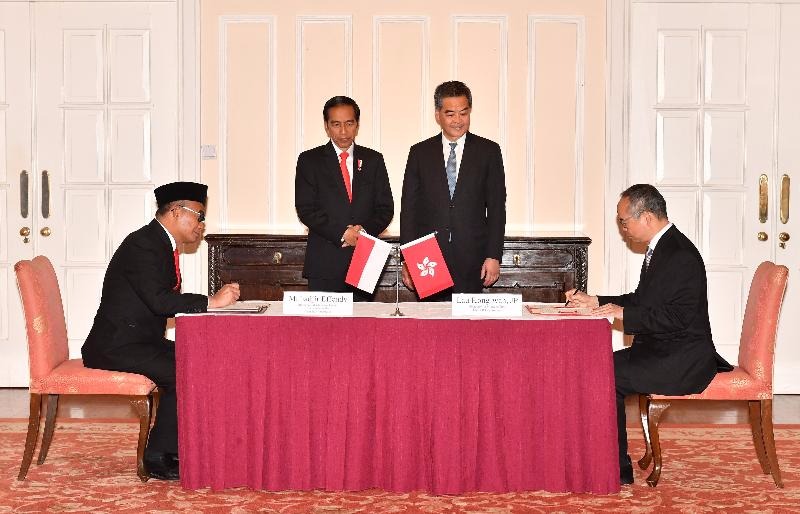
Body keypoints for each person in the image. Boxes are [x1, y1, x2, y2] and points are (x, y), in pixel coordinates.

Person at [565, 183, 730, 486]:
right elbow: (642, 300)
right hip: (662, 350)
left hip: (682, 359)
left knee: (605, 374)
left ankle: (616, 470)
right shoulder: (663, 248)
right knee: (597, 365)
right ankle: (601, 460)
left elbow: (678, 318)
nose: (622, 228)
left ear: (647, 217)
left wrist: (623, 314)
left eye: (623, 221)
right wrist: (597, 301)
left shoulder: (679, 255)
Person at [81, 181, 240, 480]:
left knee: (200, 359)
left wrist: (210, 304)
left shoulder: (159, 243)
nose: (202, 225)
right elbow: (159, 301)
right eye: (200, 216)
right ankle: (158, 456)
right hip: (116, 346)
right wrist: (211, 301)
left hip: (141, 341)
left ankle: (189, 443)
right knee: (182, 370)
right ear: (177, 212)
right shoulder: (143, 244)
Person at [400, 80, 506, 296]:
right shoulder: (419, 153)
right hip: (427, 259)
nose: (458, 120)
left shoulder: (488, 151)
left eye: (463, 113)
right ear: (438, 115)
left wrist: (494, 255)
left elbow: (497, 208)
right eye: (450, 114)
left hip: (473, 257)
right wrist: (407, 259)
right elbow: (409, 211)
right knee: (430, 317)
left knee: (467, 317)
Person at [295, 96, 394, 297]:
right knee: (325, 319)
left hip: (365, 261)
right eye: (336, 124)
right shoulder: (309, 160)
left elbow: (385, 209)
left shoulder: (373, 160)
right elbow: (306, 209)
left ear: (357, 125)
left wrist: (362, 233)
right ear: (326, 126)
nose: (343, 131)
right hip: (325, 262)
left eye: (349, 124)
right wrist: (342, 233)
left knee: (364, 318)